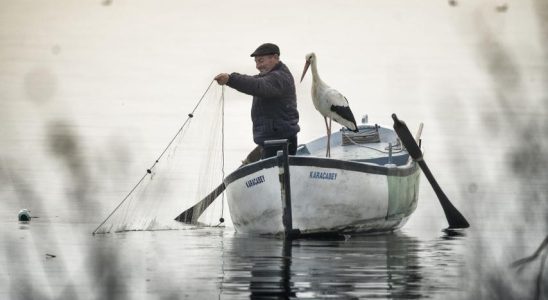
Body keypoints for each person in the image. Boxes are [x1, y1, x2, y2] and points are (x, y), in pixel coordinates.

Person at [214, 43, 300, 159]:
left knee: (275, 172)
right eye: (256, 62)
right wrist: (231, 78)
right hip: (269, 142)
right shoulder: (268, 77)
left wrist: (230, 79)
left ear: (275, 57)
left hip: (281, 143)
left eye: (261, 61)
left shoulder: (279, 77)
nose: (258, 66)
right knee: (250, 164)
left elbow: (257, 85)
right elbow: (252, 80)